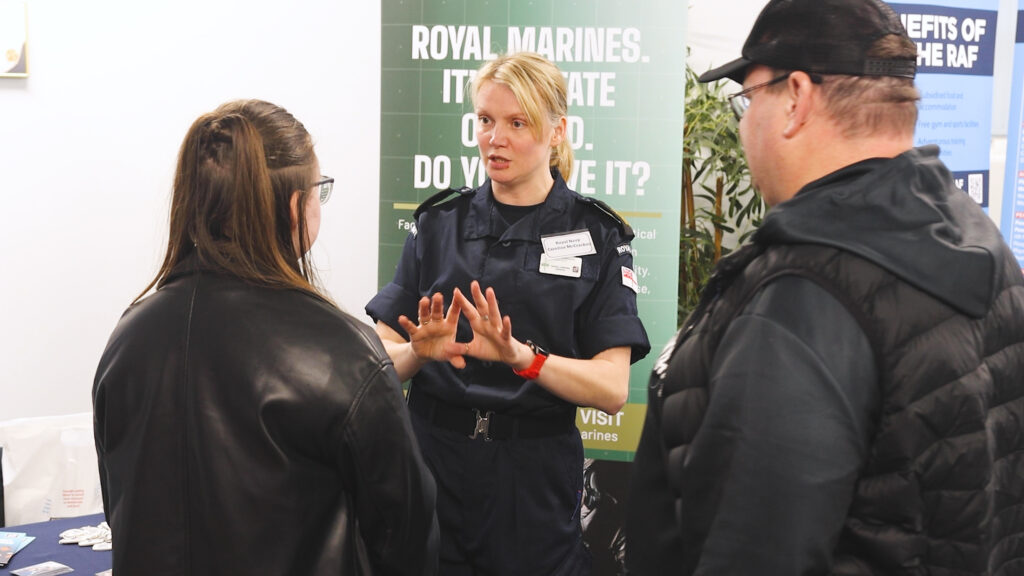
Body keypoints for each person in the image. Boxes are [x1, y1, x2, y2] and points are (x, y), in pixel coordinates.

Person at [626, 0, 1024, 574]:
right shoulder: (981, 243)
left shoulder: (805, 297)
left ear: (796, 98)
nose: (743, 124)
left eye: (748, 97)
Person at [93, 99, 438, 576]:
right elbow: (406, 536)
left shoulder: (129, 335)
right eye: (319, 190)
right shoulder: (343, 349)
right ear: (296, 207)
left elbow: (121, 506)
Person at [366, 52, 650, 575]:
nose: (494, 139)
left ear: (556, 132)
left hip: (531, 481)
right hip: (433, 467)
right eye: (485, 120)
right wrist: (418, 353)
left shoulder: (598, 235)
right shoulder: (438, 224)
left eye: (517, 123)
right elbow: (377, 364)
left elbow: (612, 389)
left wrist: (526, 359)